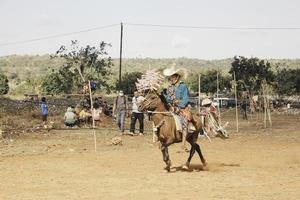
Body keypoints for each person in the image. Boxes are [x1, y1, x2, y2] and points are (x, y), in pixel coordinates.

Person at [163, 66, 196, 151]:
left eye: (173, 77)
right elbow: (167, 98)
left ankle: (184, 144)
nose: (171, 79)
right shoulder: (170, 87)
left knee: (184, 120)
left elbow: (186, 98)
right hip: (172, 107)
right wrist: (169, 100)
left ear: (177, 77)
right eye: (170, 77)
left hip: (183, 107)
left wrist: (180, 106)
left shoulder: (183, 86)